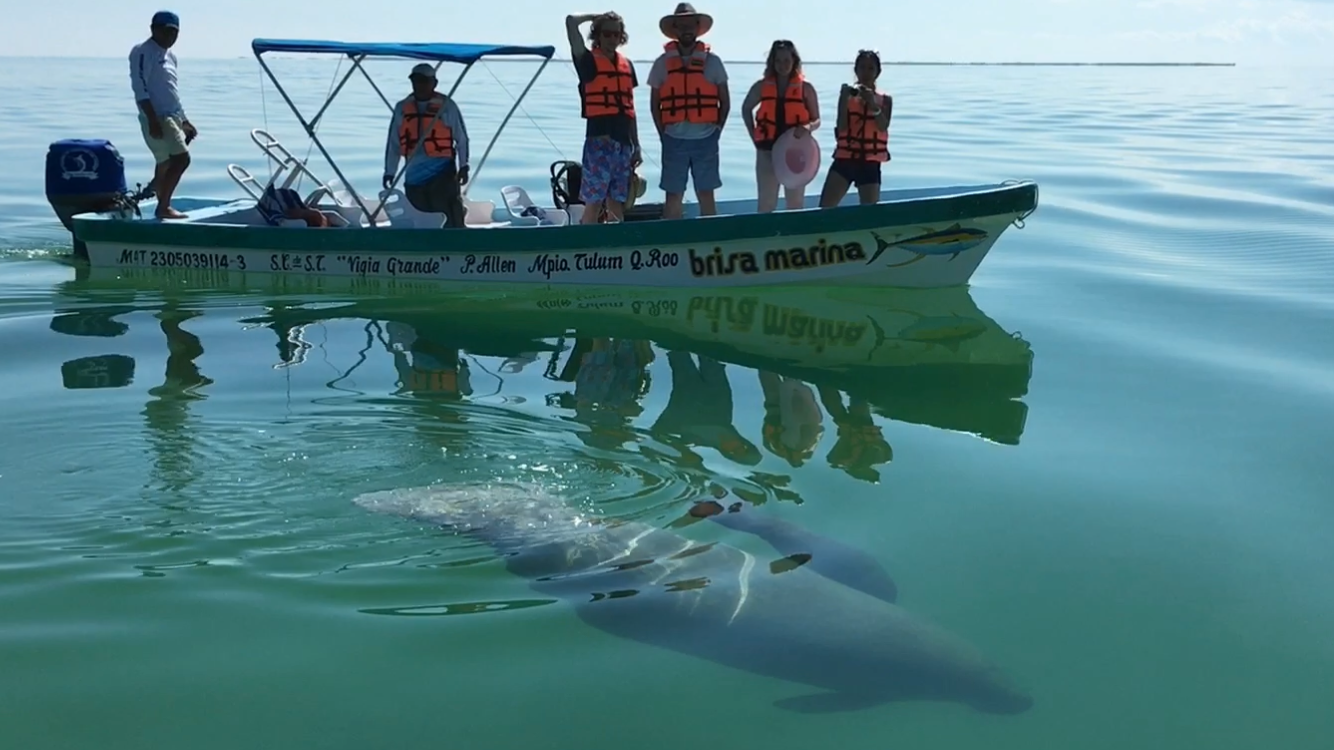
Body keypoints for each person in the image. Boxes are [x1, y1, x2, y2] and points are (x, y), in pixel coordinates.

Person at [647, 3, 729, 220]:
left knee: (706, 193)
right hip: (673, 138)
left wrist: (717, 130)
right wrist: (662, 134)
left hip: (706, 138)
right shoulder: (661, 64)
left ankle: (710, 244)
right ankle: (672, 244)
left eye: (690, 24)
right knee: (673, 195)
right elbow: (654, 104)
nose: (686, 29)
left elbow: (725, 101)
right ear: (675, 29)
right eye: (681, 25)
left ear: (697, 27)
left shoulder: (713, 62)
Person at [565, 11, 642, 224]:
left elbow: (630, 108)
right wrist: (597, 16)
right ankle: (585, 245)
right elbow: (571, 22)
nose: (611, 39)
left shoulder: (626, 65)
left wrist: (637, 145)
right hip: (599, 142)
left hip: (623, 145)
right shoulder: (587, 61)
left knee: (617, 201)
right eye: (606, 34)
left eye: (616, 35)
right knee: (595, 201)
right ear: (597, 36)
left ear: (621, 37)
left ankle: (615, 244)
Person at [382, 63, 470, 228]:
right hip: (414, 176)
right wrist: (389, 171)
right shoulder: (402, 108)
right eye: (416, 81)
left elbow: (462, 139)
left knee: (447, 213)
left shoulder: (447, 106)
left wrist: (464, 166)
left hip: (442, 172)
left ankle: (457, 241)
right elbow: (393, 143)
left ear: (434, 83)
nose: (420, 85)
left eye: (424, 81)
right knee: (419, 217)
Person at [129, 11, 196, 220]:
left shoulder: (171, 57)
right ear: (153, 29)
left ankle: (158, 201)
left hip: (173, 116)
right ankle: (163, 206)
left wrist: (184, 120)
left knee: (165, 163)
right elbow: (140, 88)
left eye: (175, 32)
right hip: (158, 116)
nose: (171, 36)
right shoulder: (142, 52)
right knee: (182, 159)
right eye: (166, 31)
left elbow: (171, 90)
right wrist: (152, 119)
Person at [741, 40, 820, 213]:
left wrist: (807, 128)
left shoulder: (806, 88)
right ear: (772, 62)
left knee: (795, 204)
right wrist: (753, 135)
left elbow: (816, 120)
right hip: (766, 151)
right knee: (766, 204)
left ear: (794, 61)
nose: (782, 65)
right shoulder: (761, 87)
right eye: (778, 61)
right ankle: (765, 237)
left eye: (786, 61)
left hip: (795, 151)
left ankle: (795, 238)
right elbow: (746, 108)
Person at [819, 50, 892, 208]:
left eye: (871, 68)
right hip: (845, 159)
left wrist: (872, 105)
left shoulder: (885, 100)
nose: (866, 72)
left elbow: (883, 126)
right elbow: (842, 126)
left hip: (870, 162)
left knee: (869, 212)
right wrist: (844, 100)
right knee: (825, 208)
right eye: (862, 68)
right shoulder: (847, 96)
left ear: (878, 72)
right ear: (856, 70)